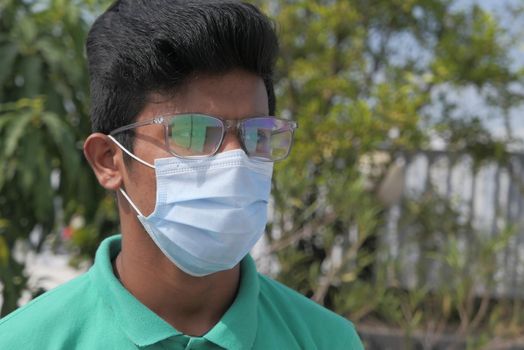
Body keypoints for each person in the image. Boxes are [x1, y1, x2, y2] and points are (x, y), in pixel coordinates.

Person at [0, 1, 364, 349]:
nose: (237, 159)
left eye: (258, 134)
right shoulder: (24, 341)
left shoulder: (327, 341)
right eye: (193, 133)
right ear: (108, 161)